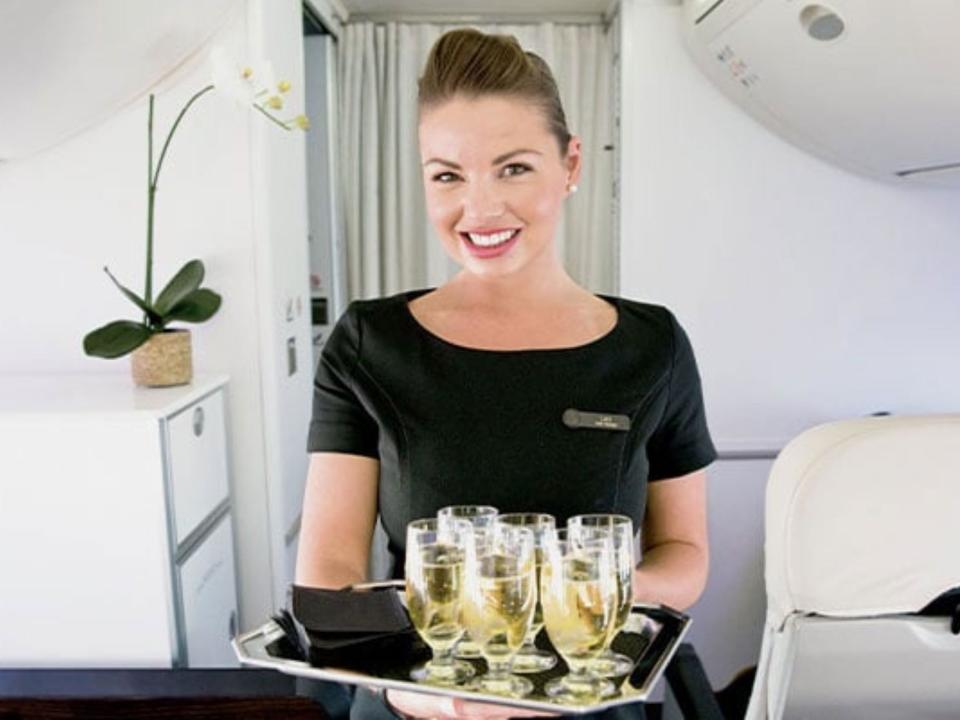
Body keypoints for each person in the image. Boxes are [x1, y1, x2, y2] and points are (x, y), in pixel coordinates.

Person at [295, 28, 716, 720]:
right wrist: (427, 696)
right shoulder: (371, 344)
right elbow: (329, 572)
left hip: (589, 698)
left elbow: (685, 550)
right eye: (448, 175)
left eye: (514, 167)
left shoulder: (653, 346)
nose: (480, 209)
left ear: (570, 162)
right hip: (419, 703)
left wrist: (589, 610)